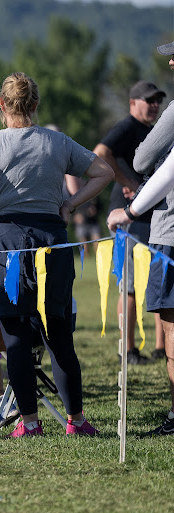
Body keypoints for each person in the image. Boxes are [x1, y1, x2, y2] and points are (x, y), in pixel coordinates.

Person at [0, 72, 113, 437]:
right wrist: (70, 204)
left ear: (1, 105)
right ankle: (76, 421)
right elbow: (103, 172)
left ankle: (30, 423)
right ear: (35, 105)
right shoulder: (57, 141)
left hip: (1, 244)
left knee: (15, 336)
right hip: (50, 241)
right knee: (58, 335)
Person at [107, 39, 174, 436]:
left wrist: (131, 207)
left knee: (170, 327)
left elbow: (147, 161)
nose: (170, 60)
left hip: (170, 230)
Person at [95, 80, 167, 365]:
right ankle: (129, 348)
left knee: (160, 280)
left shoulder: (151, 131)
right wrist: (131, 184)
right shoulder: (127, 126)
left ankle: (161, 347)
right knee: (132, 285)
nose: (154, 105)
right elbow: (101, 153)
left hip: (149, 215)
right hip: (127, 215)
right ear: (133, 103)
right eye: (148, 100)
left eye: (158, 100)